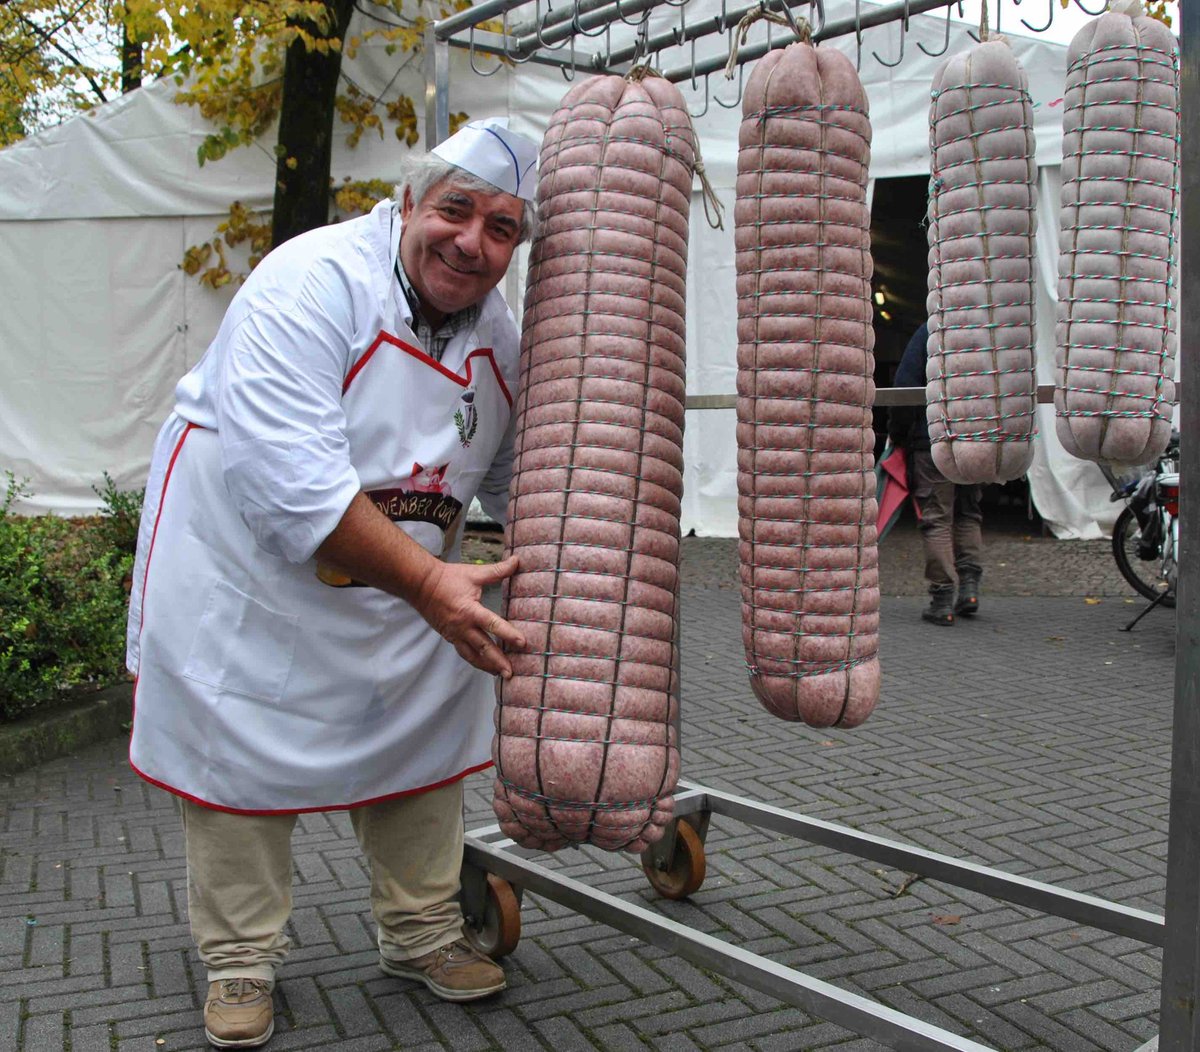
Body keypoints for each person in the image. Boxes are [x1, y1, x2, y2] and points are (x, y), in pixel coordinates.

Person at [124, 117, 540, 1049]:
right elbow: (295, 488)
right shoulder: (309, 284)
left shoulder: (502, 338)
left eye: (501, 228)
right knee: (237, 751)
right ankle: (240, 960)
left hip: (401, 574)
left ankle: (422, 930)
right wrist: (429, 585)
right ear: (409, 201)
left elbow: (519, 476)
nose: (471, 243)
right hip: (247, 569)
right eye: (456, 211)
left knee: (420, 727)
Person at [886, 322, 984, 626]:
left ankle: (942, 599)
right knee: (968, 512)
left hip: (932, 440)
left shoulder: (931, 330)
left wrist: (898, 433)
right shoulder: (982, 328)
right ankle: (969, 588)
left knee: (937, 518)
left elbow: (905, 386)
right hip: (975, 439)